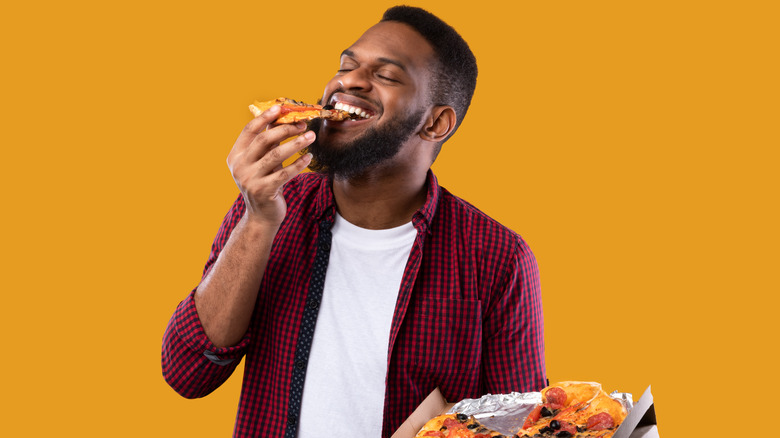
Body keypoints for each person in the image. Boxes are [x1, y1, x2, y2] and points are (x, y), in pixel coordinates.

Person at [162, 5, 546, 437]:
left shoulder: (496, 257)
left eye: (386, 75)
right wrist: (257, 220)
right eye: (346, 65)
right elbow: (187, 374)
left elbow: (524, 422)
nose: (348, 81)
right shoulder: (270, 205)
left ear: (436, 122)